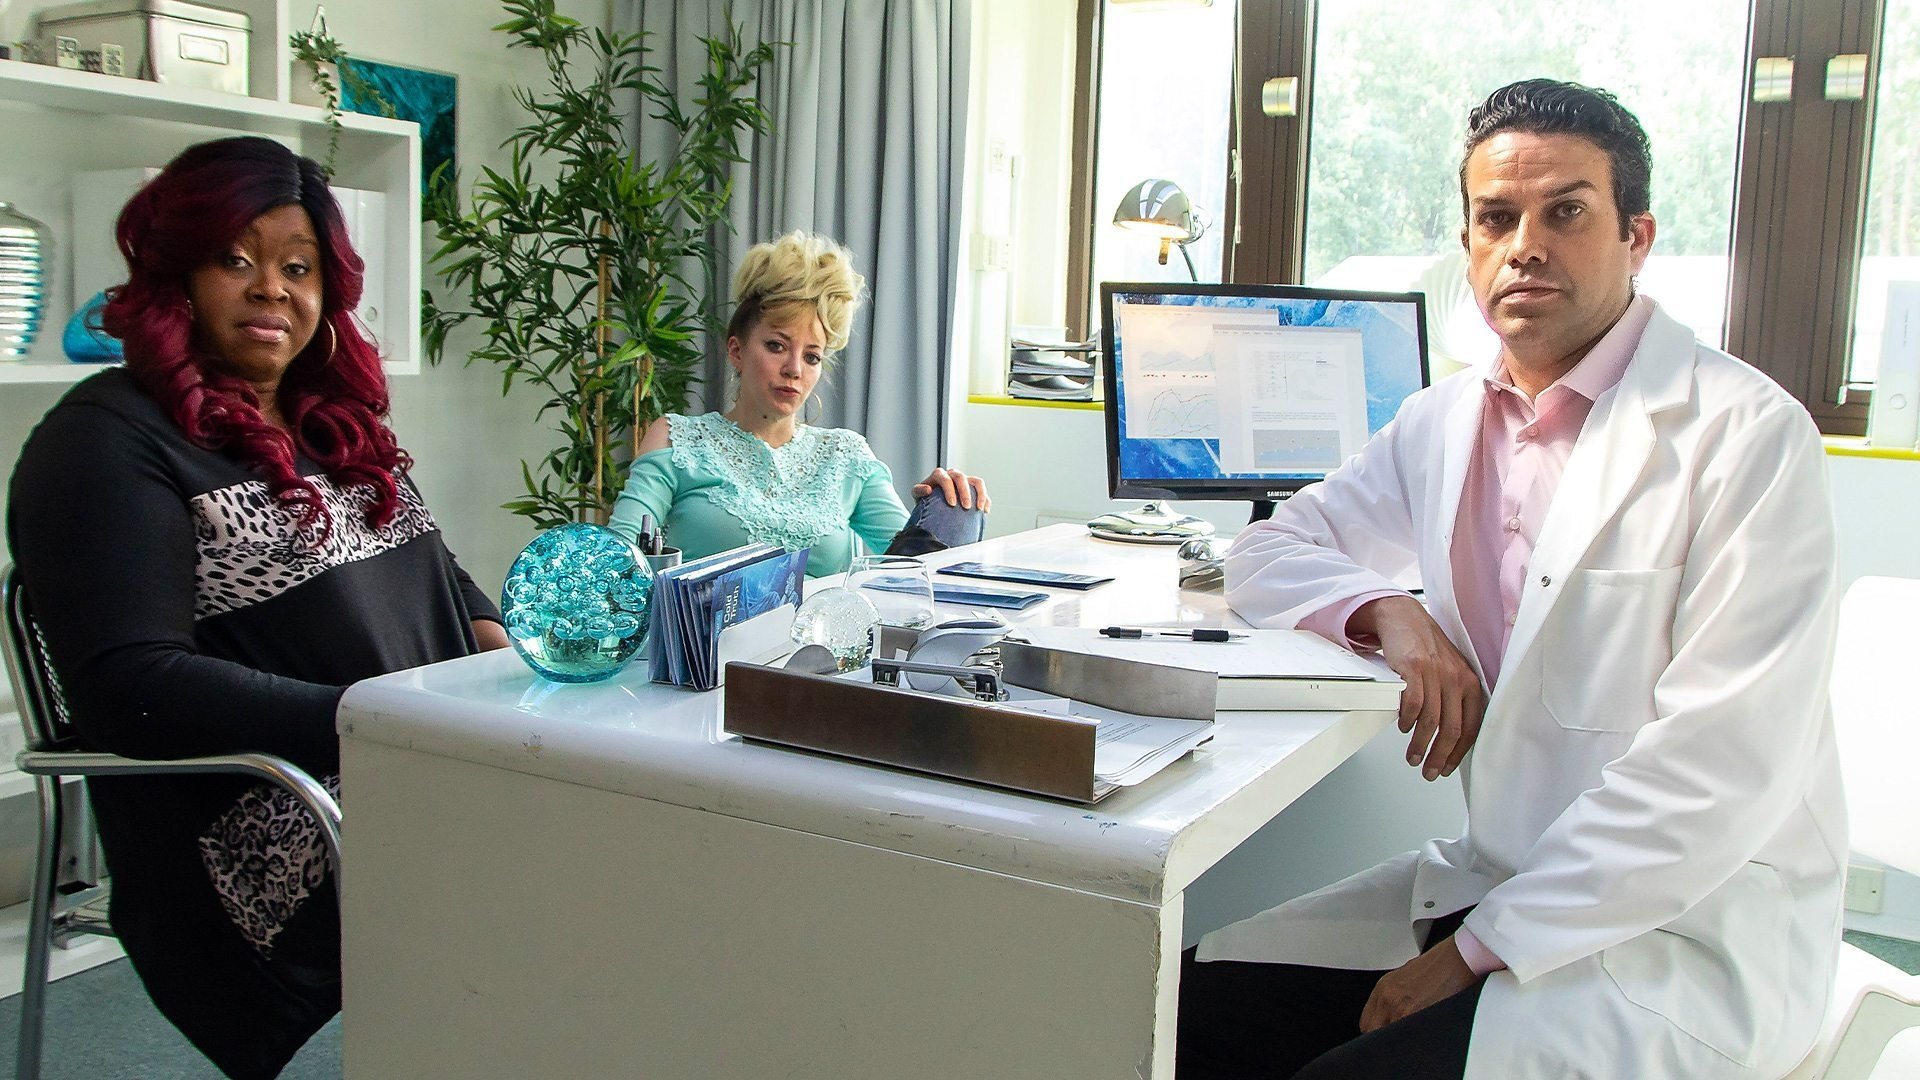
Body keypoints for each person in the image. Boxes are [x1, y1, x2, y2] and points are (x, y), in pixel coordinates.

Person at [1177, 79, 1844, 1079]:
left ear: (1636, 237)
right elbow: (1267, 551)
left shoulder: (1744, 435)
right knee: (1181, 1012)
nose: (1525, 246)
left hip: (1682, 929)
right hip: (1500, 877)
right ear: (1469, 246)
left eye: (1565, 213)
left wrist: (1474, 953)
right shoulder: (1443, 421)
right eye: (1497, 218)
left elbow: (1717, 769)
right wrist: (1389, 611)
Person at [7, 136, 509, 1079]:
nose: (271, 288)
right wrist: (385, 724)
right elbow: (129, 684)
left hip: (421, 761)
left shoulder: (331, 421)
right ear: (177, 273)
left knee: (630, 809)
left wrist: (507, 662)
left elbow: (438, 568)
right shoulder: (103, 442)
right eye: (235, 259)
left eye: (298, 267)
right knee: (604, 849)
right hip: (273, 822)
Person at [607, 232, 989, 576]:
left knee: (957, 505)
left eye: (811, 356)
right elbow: (617, 563)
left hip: (824, 634)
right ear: (737, 351)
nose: (794, 369)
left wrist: (936, 510)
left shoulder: (846, 455)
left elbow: (909, 571)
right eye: (776, 346)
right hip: (708, 634)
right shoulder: (676, 439)